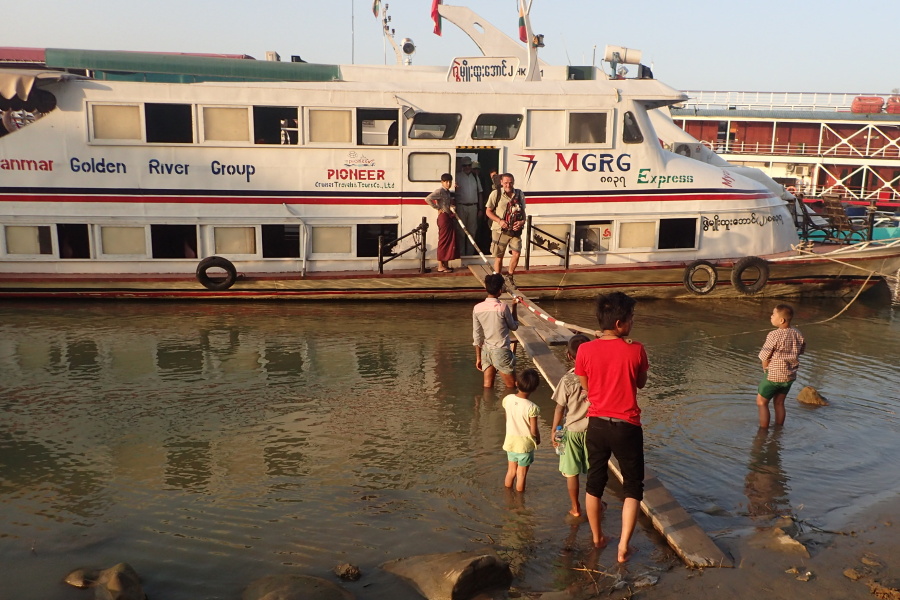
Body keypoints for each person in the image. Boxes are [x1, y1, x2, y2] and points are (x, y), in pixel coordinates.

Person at [575, 292, 649, 563]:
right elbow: (640, 383)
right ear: (619, 324)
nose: (632, 322)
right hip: (627, 425)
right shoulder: (636, 349)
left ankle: (597, 538)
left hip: (596, 424)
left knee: (595, 483)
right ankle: (623, 548)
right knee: (632, 486)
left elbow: (586, 386)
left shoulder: (584, 349)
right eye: (630, 319)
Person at [551, 333, 591, 518]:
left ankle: (576, 508)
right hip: (594, 431)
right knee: (594, 470)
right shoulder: (599, 377)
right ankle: (598, 502)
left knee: (570, 473)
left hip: (572, 430)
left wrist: (554, 430)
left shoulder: (567, 380)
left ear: (569, 355)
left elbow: (560, 408)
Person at [756, 304, 806, 429]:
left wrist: (765, 369)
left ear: (781, 320)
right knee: (779, 403)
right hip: (789, 376)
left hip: (773, 375)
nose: (771, 317)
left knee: (761, 402)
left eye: (773, 315)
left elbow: (764, 356)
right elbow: (801, 350)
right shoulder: (797, 333)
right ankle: (778, 430)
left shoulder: (774, 335)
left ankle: (763, 432)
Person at [473, 273, 518, 389]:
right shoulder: (502, 307)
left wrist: (478, 357)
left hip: (486, 351)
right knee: (512, 387)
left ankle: (486, 406)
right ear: (500, 290)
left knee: (488, 387)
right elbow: (514, 327)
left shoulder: (477, 308)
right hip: (501, 351)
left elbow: (477, 336)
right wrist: (515, 306)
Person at [502, 368, 542, 492]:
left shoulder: (508, 399)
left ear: (516, 383)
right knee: (521, 474)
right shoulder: (532, 407)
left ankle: (507, 495)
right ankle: (520, 501)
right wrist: (538, 439)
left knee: (511, 471)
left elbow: (507, 417)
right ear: (535, 389)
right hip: (524, 445)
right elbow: (533, 430)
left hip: (510, 441)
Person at [485, 173, 525, 279]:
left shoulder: (519, 194)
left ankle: (510, 276)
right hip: (499, 230)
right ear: (501, 182)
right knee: (499, 257)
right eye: (506, 183)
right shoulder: (495, 194)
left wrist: (522, 222)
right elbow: (488, 211)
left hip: (515, 231)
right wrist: (499, 221)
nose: (508, 185)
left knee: (516, 252)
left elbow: (523, 212)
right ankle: (497, 279)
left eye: (511, 182)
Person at [424, 173, 459, 273]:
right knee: (443, 241)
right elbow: (428, 199)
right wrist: (438, 208)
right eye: (446, 182)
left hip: (448, 217)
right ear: (442, 182)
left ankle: (445, 264)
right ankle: (440, 265)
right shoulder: (440, 191)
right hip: (443, 218)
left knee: (448, 241)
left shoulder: (448, 192)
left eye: (449, 182)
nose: (448, 183)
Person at [455, 157, 483, 256]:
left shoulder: (475, 177)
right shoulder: (457, 177)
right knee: (461, 232)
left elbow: (480, 193)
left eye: (469, 165)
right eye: (465, 165)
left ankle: (470, 254)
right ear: (462, 166)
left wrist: (480, 209)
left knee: (472, 231)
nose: (467, 167)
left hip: (473, 207)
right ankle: (462, 254)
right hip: (461, 206)